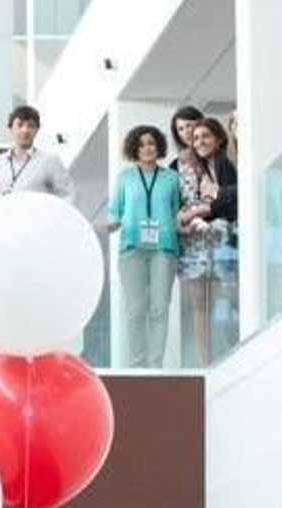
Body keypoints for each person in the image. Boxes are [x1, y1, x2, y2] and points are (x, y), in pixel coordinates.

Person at [107, 125, 183, 369]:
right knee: (135, 309)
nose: (146, 148)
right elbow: (114, 212)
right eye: (140, 144)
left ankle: (155, 366)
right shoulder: (125, 177)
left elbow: (176, 211)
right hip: (132, 248)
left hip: (164, 247)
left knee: (160, 308)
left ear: (158, 146)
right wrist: (102, 227)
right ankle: (137, 366)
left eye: (150, 143)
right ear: (134, 149)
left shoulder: (172, 178)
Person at [177, 117, 238, 368]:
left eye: (206, 136)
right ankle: (206, 362)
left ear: (219, 139)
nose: (200, 141)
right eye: (196, 138)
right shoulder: (203, 168)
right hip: (209, 245)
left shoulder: (224, 163)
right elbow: (212, 206)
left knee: (228, 302)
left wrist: (196, 212)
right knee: (203, 306)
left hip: (227, 245)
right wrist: (197, 214)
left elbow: (228, 203)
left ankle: (229, 355)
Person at [0, 105, 73, 203]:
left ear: (37, 130)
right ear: (11, 128)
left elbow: (67, 196)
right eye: (20, 125)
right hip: (2, 217)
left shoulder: (50, 161)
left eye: (30, 126)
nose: (25, 130)